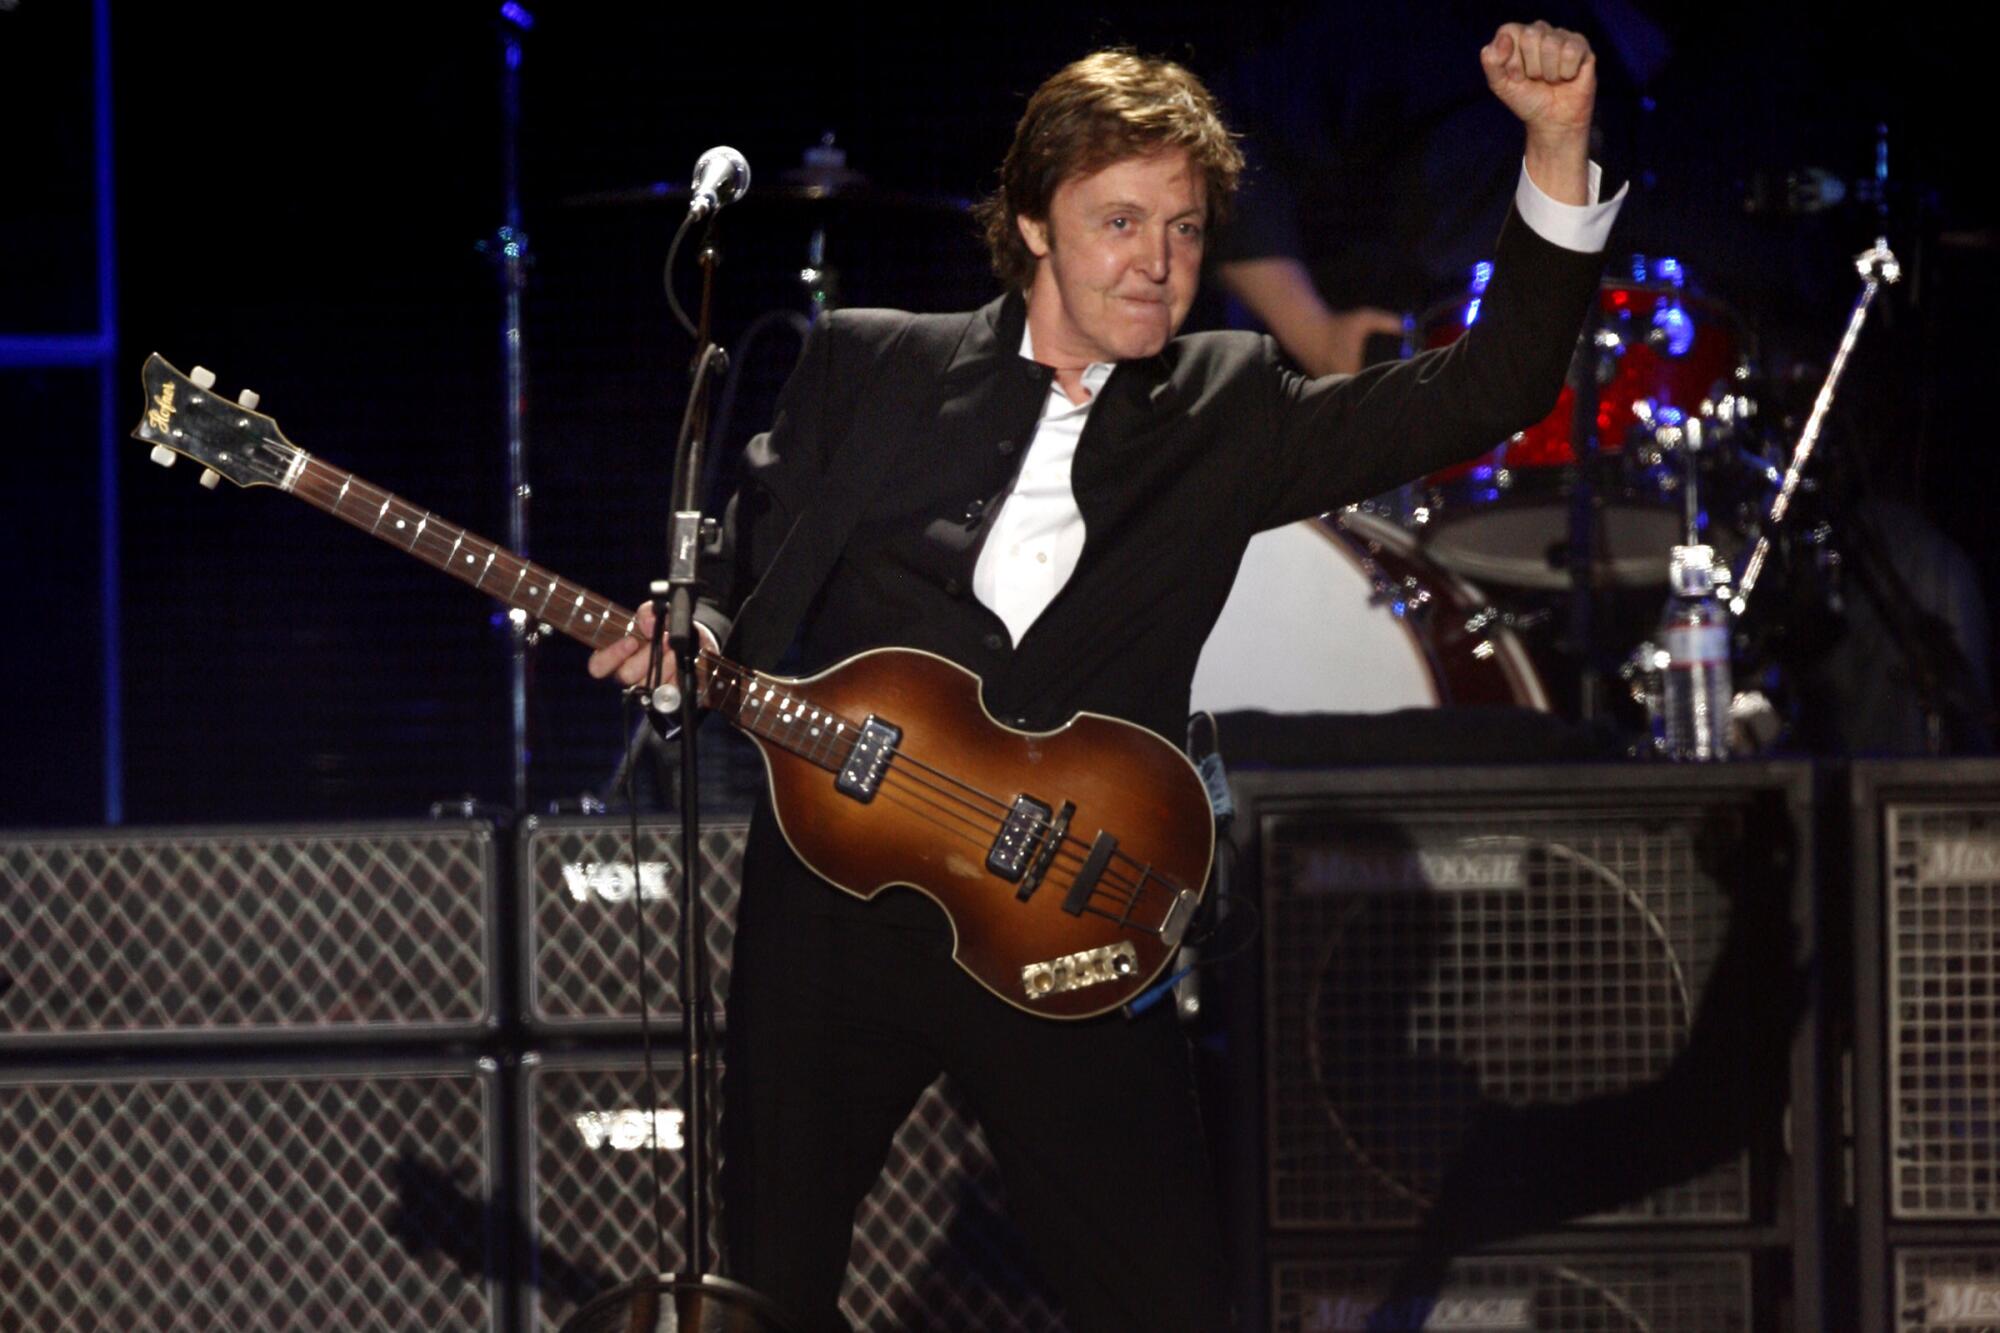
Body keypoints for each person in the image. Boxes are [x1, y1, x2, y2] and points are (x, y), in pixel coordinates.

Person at [589, 23, 1621, 1331]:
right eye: (1120, 222)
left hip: (1069, 920)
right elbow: (743, 572)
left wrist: (1554, 142)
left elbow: (1497, 384)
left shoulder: (1229, 403)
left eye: (1186, 230)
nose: (1159, 263)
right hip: (840, 915)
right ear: (1031, 223)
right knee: (762, 1295)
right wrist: (695, 634)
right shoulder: (872, 364)